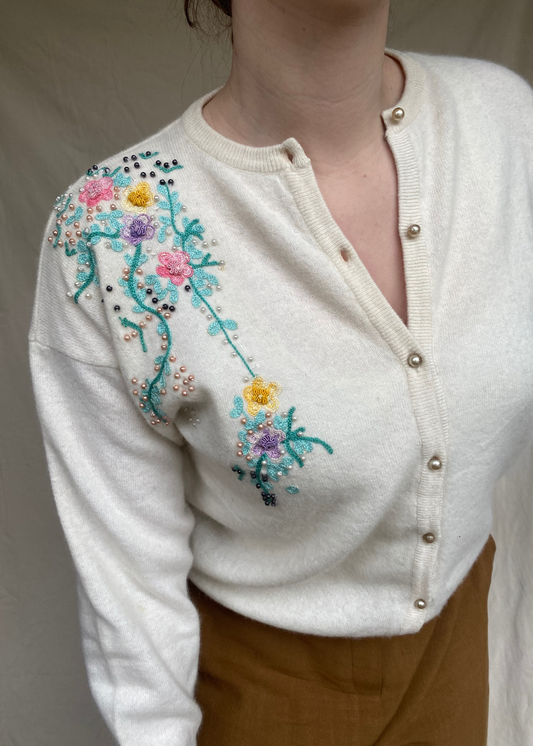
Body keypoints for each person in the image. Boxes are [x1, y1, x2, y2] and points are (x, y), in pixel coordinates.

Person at [27, 0, 533, 744]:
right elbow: (129, 588)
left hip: (455, 654)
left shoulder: (505, 122)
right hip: (261, 692)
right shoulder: (107, 234)